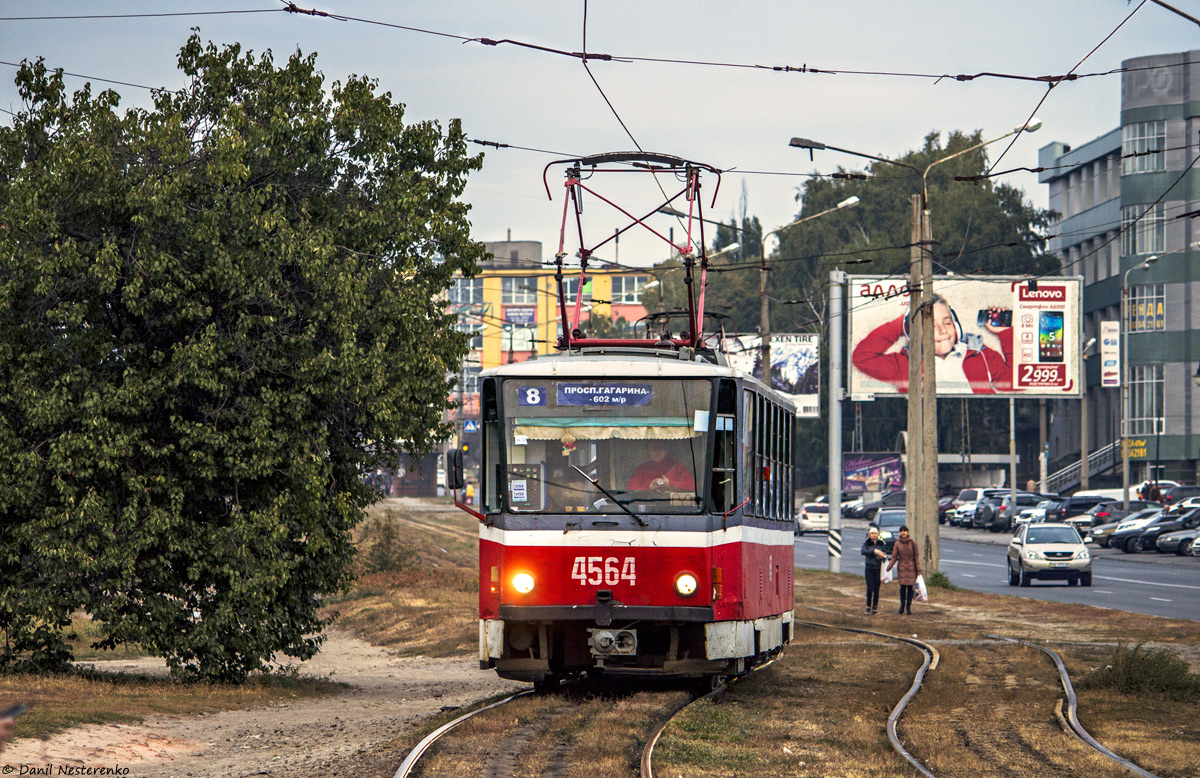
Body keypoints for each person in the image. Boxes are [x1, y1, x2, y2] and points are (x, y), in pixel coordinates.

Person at [852, 296, 1013, 394]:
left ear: (956, 327)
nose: (942, 330)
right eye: (931, 326)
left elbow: (1015, 381)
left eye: (947, 323)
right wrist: (900, 324)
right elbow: (862, 357)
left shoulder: (979, 354)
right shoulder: (904, 365)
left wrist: (1005, 332)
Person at [627, 440, 696, 491]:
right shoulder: (641, 469)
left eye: (660, 448)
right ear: (649, 451)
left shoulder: (678, 467)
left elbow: (692, 487)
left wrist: (670, 483)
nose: (656, 452)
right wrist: (649, 487)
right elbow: (631, 490)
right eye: (653, 448)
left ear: (666, 450)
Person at [887, 525, 921, 615]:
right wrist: (889, 567)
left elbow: (916, 557)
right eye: (901, 531)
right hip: (902, 568)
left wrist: (918, 570)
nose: (903, 533)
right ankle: (902, 606)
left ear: (907, 532)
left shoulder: (913, 543)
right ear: (899, 533)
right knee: (902, 588)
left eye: (905, 531)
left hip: (911, 568)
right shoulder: (897, 544)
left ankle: (908, 607)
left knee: (910, 588)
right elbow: (894, 557)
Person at [861, 527, 887, 614]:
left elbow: (884, 552)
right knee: (870, 587)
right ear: (869, 535)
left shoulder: (881, 543)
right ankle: (868, 606)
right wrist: (873, 551)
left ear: (877, 534)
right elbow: (863, 551)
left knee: (876, 588)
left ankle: (875, 607)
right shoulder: (866, 543)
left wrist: (882, 556)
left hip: (878, 568)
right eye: (872, 533)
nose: (873, 535)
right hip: (869, 567)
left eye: (875, 533)